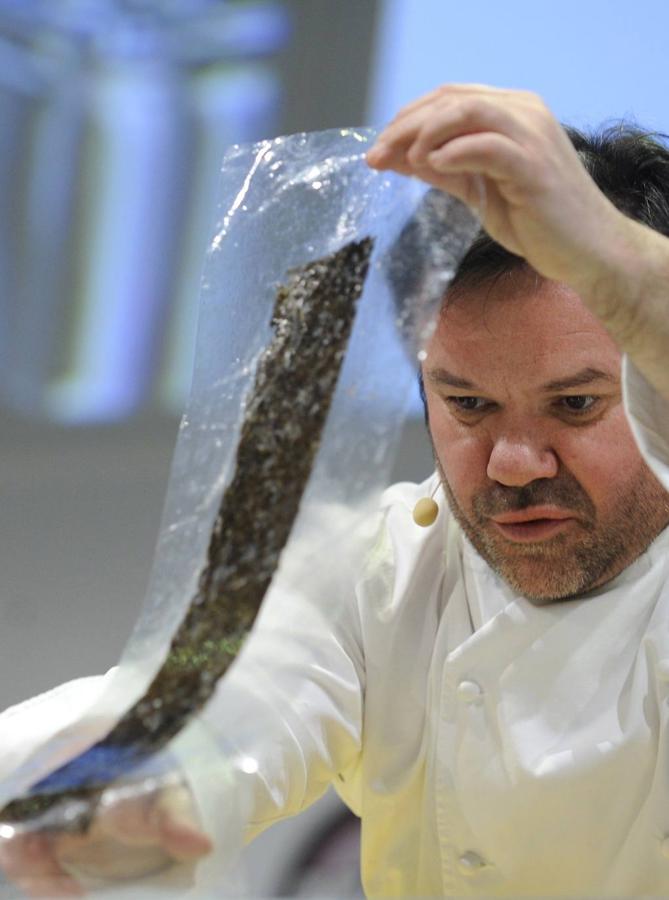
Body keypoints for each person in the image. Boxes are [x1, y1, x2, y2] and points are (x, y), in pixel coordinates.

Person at [2, 83, 669, 897]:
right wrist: (136, 783)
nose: (513, 463)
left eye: (574, 405)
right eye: (467, 405)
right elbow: (238, 690)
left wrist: (622, 262)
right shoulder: (379, 571)